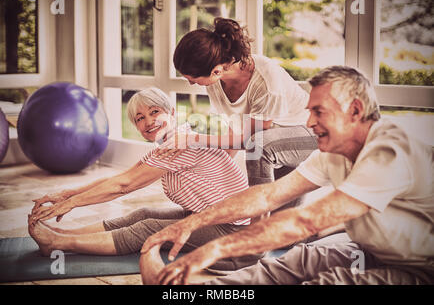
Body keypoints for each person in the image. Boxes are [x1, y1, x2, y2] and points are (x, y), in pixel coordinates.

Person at [140, 66, 434, 285]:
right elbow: (269, 194)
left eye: (318, 112)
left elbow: (306, 221)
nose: (309, 122)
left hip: (421, 271)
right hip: (368, 250)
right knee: (297, 260)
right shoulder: (332, 152)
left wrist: (216, 248)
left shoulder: (390, 150)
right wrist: (192, 223)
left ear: (355, 111)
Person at [28, 87, 263, 271]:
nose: (148, 122)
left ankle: (57, 244)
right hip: (208, 217)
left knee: (148, 228)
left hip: (230, 228)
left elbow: (124, 186)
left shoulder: (178, 144)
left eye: (154, 112)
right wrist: (65, 195)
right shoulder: (168, 143)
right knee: (142, 214)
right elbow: (123, 177)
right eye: (140, 118)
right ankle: (64, 235)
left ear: (171, 113)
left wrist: (71, 204)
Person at [159, 17, 318, 201]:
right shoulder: (215, 80)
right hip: (274, 139)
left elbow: (250, 139)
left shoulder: (266, 82)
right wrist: (216, 175)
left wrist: (192, 138)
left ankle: (255, 212)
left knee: (258, 146)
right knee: (284, 222)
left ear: (216, 70)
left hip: (310, 134)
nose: (191, 83)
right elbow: (235, 131)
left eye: (192, 78)